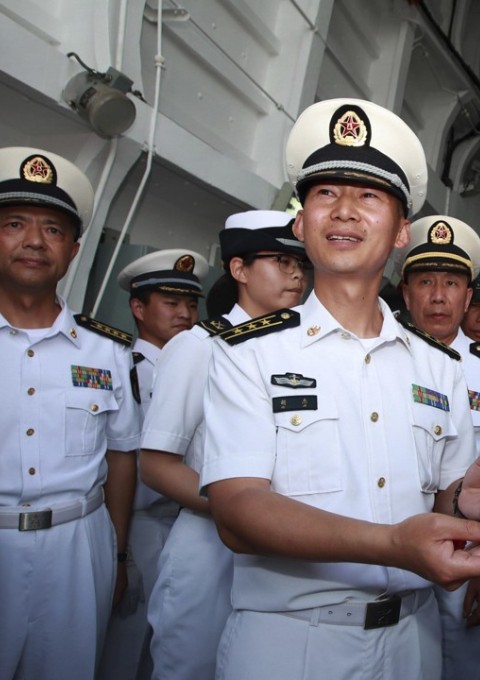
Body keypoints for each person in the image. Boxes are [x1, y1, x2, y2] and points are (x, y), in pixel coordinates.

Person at [199, 98, 480, 680]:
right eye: (324, 194)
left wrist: (470, 505)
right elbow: (238, 513)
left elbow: (445, 502)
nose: (343, 211)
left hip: (413, 639)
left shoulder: (438, 367)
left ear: (399, 232)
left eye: (368, 197)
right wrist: (393, 543)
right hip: (288, 644)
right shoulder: (250, 352)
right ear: (299, 223)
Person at [138, 210, 310, 679]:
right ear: (239, 269)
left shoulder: (299, 352)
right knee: (191, 666)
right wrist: (241, 509)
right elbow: (155, 463)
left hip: (282, 546)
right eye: (279, 260)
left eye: (300, 262)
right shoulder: (199, 346)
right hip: (209, 540)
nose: (296, 273)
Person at [0, 146, 141, 678]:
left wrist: (119, 553)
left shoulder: (106, 351)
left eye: (54, 230)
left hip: (78, 546)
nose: (35, 240)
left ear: (74, 249)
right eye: (16, 223)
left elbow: (123, 456)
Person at [397, 214, 480, 680]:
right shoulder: (377, 358)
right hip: (391, 544)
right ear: (406, 292)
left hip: (465, 548)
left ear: (468, 297)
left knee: (462, 665)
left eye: (451, 284)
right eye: (425, 282)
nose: (438, 296)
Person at [99, 248, 208, 680]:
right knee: (125, 647)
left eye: (190, 303)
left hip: (190, 521)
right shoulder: (120, 367)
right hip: (137, 522)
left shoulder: (210, 365)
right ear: (138, 308)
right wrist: (119, 552)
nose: (184, 313)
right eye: (171, 302)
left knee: (179, 648)